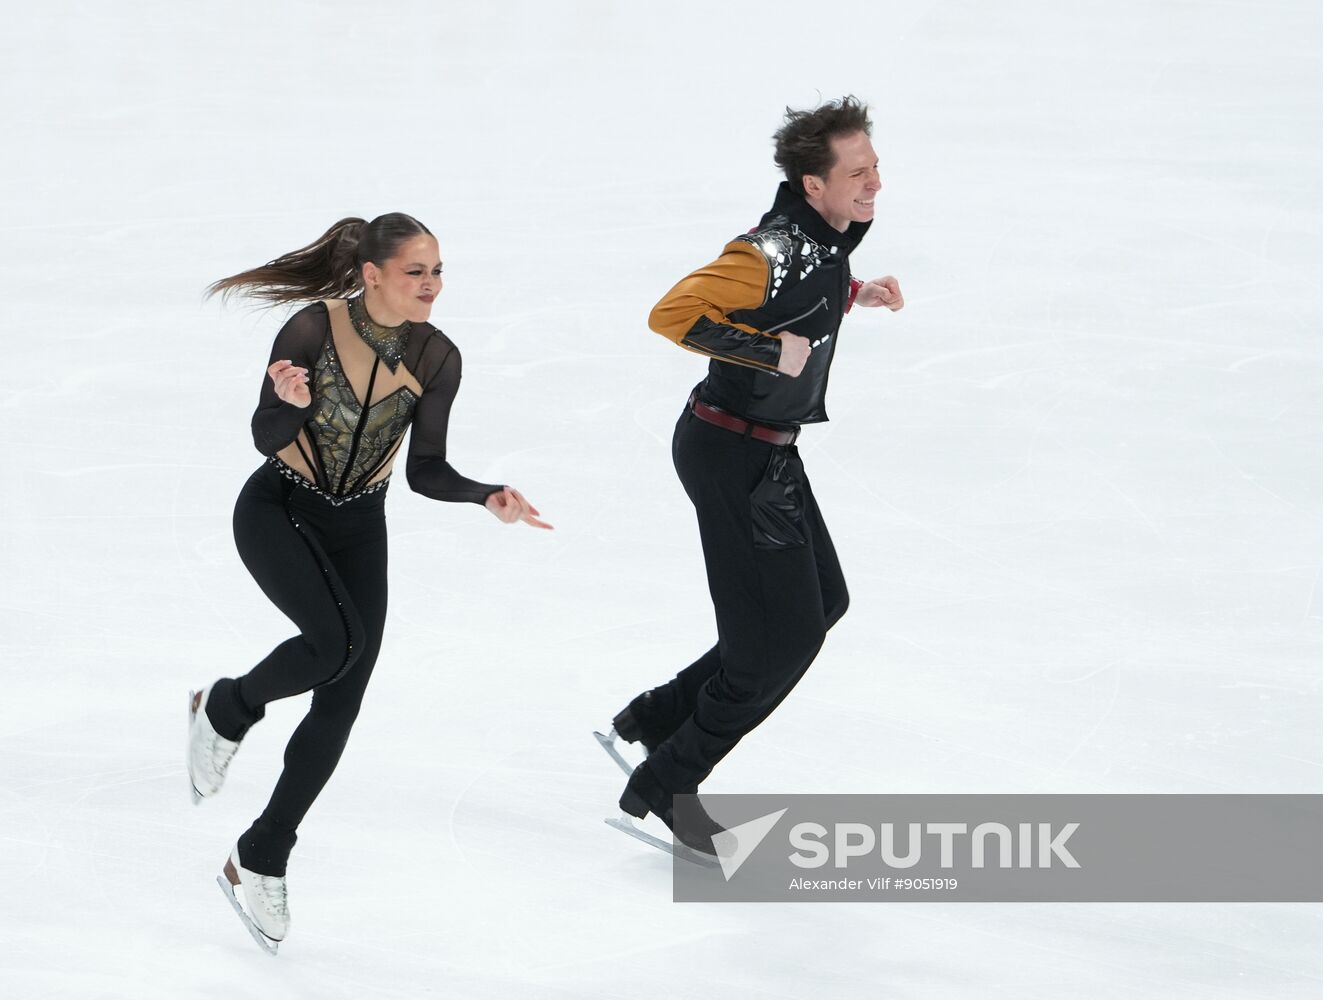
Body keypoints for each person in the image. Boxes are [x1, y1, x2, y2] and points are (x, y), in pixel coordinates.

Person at [189, 213, 550, 953]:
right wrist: (289, 406)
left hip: (360, 527)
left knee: (343, 695)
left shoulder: (436, 355)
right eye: (416, 272)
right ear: (374, 274)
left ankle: (260, 855)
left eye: (439, 271)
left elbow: (424, 471)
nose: (431, 286)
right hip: (278, 508)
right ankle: (228, 706)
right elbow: (262, 436)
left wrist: (486, 494)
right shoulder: (310, 331)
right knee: (334, 644)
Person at [604, 97, 904, 855]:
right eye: (857, 171)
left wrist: (851, 294)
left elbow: (803, 289)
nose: (874, 182)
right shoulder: (765, 251)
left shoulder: (822, 240)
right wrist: (772, 355)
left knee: (822, 603)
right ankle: (667, 779)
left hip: (765, 451)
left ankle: (659, 716)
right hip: (730, 454)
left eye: (874, 166)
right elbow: (670, 315)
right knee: (779, 642)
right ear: (812, 185)